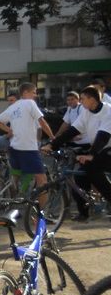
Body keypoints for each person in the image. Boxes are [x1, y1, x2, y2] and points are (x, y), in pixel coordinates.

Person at [45, 86, 111, 221]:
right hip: (99, 148)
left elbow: (103, 136)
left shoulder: (108, 111)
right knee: (80, 177)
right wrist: (52, 145)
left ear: (92, 100)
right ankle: (84, 213)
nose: (80, 102)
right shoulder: (87, 112)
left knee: (94, 172)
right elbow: (72, 130)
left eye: (82, 99)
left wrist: (91, 155)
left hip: (107, 148)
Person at [0, 82, 55, 210]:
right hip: (28, 148)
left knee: (16, 178)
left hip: (14, 147)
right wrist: (53, 138)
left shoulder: (14, 106)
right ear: (25, 92)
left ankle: (13, 203)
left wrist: (10, 131)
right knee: (42, 180)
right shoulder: (30, 103)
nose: (35, 95)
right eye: (34, 92)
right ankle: (42, 213)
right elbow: (42, 122)